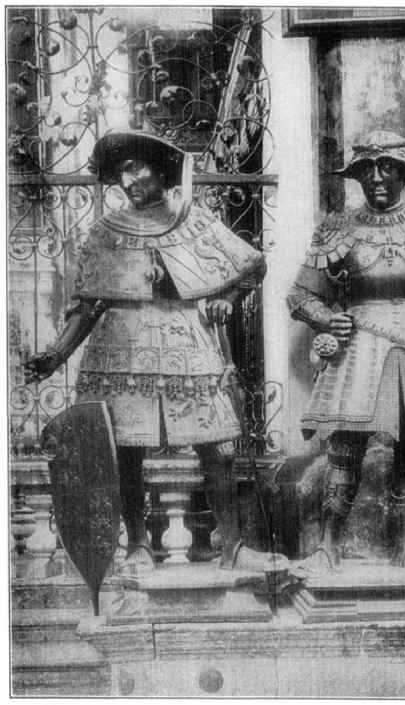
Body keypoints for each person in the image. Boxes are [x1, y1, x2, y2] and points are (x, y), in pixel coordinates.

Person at [24, 128, 283, 575]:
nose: (128, 181)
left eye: (136, 168)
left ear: (161, 169)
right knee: (127, 451)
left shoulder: (192, 220)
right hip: (120, 347)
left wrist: (226, 298)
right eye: (121, 173)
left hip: (186, 336)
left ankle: (233, 545)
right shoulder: (105, 231)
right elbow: (87, 306)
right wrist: (56, 355)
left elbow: (251, 265)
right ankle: (138, 545)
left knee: (218, 447)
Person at [287, 130, 405, 572]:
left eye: (387, 167)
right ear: (356, 176)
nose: (376, 177)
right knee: (345, 445)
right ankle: (328, 545)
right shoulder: (338, 229)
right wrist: (326, 319)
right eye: (366, 169)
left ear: (404, 174)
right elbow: (300, 295)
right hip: (358, 346)